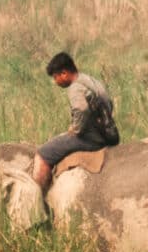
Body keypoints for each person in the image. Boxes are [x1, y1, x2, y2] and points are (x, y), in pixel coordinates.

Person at [32, 50, 118, 190]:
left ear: (64, 73)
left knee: (43, 154)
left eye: (55, 77)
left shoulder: (75, 87)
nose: (55, 82)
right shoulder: (90, 81)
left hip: (91, 139)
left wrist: (76, 129)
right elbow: (109, 102)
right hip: (108, 135)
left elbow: (81, 109)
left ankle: (37, 200)